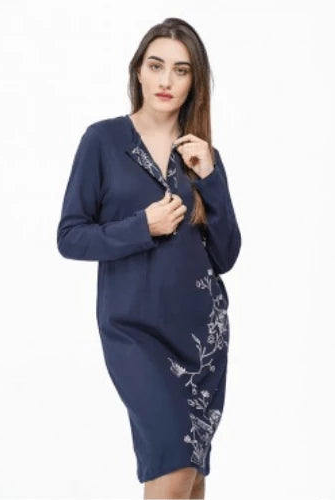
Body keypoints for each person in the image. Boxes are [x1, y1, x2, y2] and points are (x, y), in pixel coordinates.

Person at [57, 17, 241, 499]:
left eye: (180, 70)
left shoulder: (202, 155)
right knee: (174, 467)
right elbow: (71, 237)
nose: (166, 80)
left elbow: (226, 255)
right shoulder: (103, 141)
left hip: (201, 336)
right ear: (138, 70)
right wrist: (143, 226)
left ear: (194, 82)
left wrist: (211, 178)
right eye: (156, 66)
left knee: (191, 479)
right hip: (133, 331)